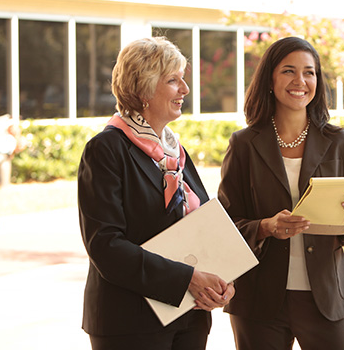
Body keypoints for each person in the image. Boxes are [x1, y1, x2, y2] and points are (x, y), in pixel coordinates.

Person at [217, 36, 344, 350]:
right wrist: (266, 226)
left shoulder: (340, 141)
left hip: (327, 296)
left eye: (309, 72)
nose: (300, 81)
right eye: (289, 71)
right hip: (260, 300)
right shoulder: (245, 144)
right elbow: (225, 226)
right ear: (270, 80)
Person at [78, 37, 234, 350]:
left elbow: (203, 224)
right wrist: (186, 279)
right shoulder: (106, 149)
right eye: (173, 80)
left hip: (189, 316)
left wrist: (223, 278)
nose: (185, 89)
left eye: (183, 79)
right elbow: (106, 245)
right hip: (129, 322)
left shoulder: (174, 151)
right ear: (144, 89)